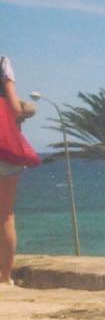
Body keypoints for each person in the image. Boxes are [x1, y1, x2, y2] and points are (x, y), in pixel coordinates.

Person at [0, 53, 33, 287]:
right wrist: (24, 110)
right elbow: (14, 107)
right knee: (5, 214)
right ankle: (4, 278)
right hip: (5, 148)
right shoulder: (2, 61)